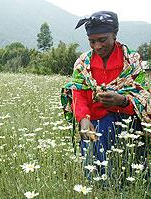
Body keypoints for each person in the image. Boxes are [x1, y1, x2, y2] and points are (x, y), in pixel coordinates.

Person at [61, 11, 150, 178]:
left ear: (114, 34)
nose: (97, 46)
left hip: (126, 123)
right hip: (93, 122)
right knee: (95, 172)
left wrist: (123, 101)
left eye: (102, 40)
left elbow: (142, 95)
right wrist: (83, 119)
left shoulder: (131, 60)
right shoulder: (82, 63)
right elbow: (78, 94)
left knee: (129, 171)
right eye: (92, 41)